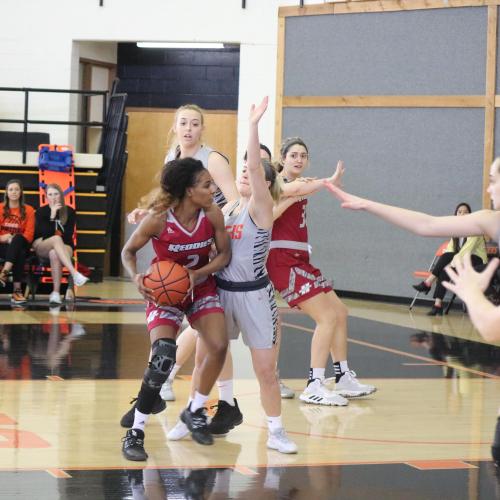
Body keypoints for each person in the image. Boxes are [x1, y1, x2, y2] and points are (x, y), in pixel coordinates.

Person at [323, 157, 500, 463]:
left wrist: (471, 295)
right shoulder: (491, 219)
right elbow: (426, 224)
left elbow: (492, 327)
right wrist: (367, 204)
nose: (488, 187)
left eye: (494, 179)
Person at [168, 97, 298, 453]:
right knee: (205, 358)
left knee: (264, 370)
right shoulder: (224, 210)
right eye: (240, 168)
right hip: (221, 292)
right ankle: (191, 414)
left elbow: (256, 169)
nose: (244, 170)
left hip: (254, 294)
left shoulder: (260, 206)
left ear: (265, 184)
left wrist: (254, 126)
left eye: (251, 171)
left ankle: (276, 431)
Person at [120, 156, 231, 461]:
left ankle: (194, 410)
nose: (213, 189)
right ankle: (136, 432)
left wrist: (198, 274)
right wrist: (135, 276)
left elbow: (224, 256)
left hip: (200, 286)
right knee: (164, 355)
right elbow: (128, 251)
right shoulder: (158, 217)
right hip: (164, 292)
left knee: (219, 345)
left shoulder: (213, 215)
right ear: (188, 190)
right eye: (207, 184)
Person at [266, 138, 376, 405]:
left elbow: (306, 188)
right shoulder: (279, 184)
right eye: (293, 155)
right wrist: (329, 181)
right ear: (282, 158)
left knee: (339, 311)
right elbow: (272, 214)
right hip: (281, 259)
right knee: (326, 317)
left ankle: (342, 377)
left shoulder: (301, 186)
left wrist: (317, 186)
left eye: (303, 155)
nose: (299, 160)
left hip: (299, 258)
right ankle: (314, 383)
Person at [412, 202, 487, 315]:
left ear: (470, 215)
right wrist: (450, 262)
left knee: (449, 259)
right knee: (445, 269)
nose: (462, 214)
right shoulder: (455, 231)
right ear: (455, 214)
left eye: (466, 212)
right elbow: (449, 250)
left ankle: (427, 283)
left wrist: (452, 261)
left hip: (476, 260)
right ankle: (437, 305)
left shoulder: (475, 229)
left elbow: (467, 249)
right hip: (461, 260)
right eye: (460, 212)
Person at [32, 183, 88, 305]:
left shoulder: (69, 211)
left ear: (61, 195)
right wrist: (52, 216)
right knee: (56, 240)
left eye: (56, 194)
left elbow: (67, 236)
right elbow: (43, 234)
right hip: (43, 247)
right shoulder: (41, 212)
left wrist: (55, 235)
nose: (53, 197)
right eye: (50, 194)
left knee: (54, 253)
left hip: (65, 246)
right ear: (46, 197)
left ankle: (56, 293)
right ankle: (74, 273)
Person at [0, 179, 35, 306]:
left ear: (21, 192)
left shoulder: (29, 210)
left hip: (22, 243)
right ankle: (16, 291)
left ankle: (4, 273)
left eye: (16, 189)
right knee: (18, 252)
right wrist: (4, 238)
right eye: (11, 189)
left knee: (19, 240)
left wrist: (13, 239)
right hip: (3, 246)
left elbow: (29, 235)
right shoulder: (0, 208)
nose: (14, 192)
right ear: (6, 193)